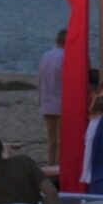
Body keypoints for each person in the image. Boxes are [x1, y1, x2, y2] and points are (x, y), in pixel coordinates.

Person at [37, 29, 65, 166]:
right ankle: (58, 167)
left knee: (51, 141)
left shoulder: (45, 56)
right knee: (61, 141)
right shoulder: (66, 56)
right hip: (61, 103)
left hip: (47, 102)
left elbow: (40, 79)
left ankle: (50, 164)